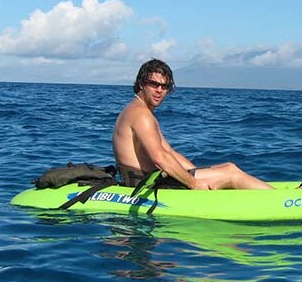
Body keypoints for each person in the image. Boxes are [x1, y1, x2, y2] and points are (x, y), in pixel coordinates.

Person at [112, 59, 273, 190]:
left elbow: (168, 152)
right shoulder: (141, 115)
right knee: (230, 173)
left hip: (147, 180)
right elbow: (160, 159)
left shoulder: (138, 110)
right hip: (143, 185)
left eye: (165, 86)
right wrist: (193, 183)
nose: (159, 90)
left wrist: (195, 173)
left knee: (226, 167)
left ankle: (274, 195)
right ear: (141, 84)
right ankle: (280, 201)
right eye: (154, 84)